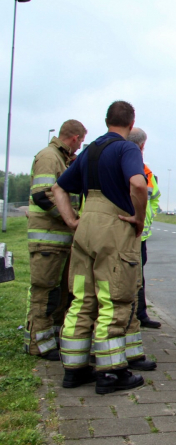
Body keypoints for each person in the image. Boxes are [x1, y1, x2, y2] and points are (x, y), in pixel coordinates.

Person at [52, 101, 153, 394]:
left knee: (82, 298)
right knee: (114, 298)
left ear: (106, 120)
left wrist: (72, 220)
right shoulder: (127, 149)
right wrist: (138, 217)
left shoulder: (89, 151)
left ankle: (74, 370)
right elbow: (137, 183)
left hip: (85, 230)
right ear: (131, 125)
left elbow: (58, 188)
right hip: (113, 229)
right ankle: (111, 374)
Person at [24, 120, 86, 360]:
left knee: (57, 293)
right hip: (47, 239)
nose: (80, 147)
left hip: (57, 241)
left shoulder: (61, 159)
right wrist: (70, 219)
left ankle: (50, 339)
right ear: (75, 138)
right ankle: (37, 344)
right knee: (44, 292)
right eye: (80, 141)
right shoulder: (50, 157)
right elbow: (42, 195)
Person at [127, 127, 162, 331]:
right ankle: (132, 315)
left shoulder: (147, 172)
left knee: (138, 275)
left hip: (140, 234)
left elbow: (154, 197)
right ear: (142, 146)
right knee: (128, 275)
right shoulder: (133, 167)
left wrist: (150, 215)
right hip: (126, 232)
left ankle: (140, 314)